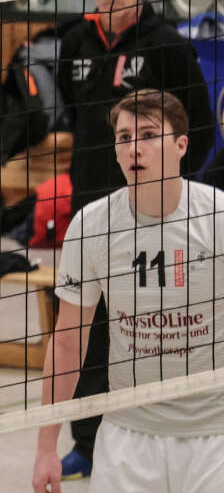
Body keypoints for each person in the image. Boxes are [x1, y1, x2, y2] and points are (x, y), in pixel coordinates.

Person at [54, 0, 214, 479]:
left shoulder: (166, 44)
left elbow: (203, 126)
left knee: (147, 326)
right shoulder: (74, 41)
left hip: (156, 214)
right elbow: (78, 116)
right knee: (86, 327)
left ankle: (173, 426)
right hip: (91, 210)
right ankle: (85, 438)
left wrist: (171, 199)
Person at [32, 89, 224, 493]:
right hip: (128, 436)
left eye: (149, 134)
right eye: (124, 138)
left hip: (215, 436)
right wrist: (47, 445)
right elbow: (67, 340)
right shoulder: (92, 225)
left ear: (181, 145)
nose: (135, 148)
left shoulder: (218, 219)